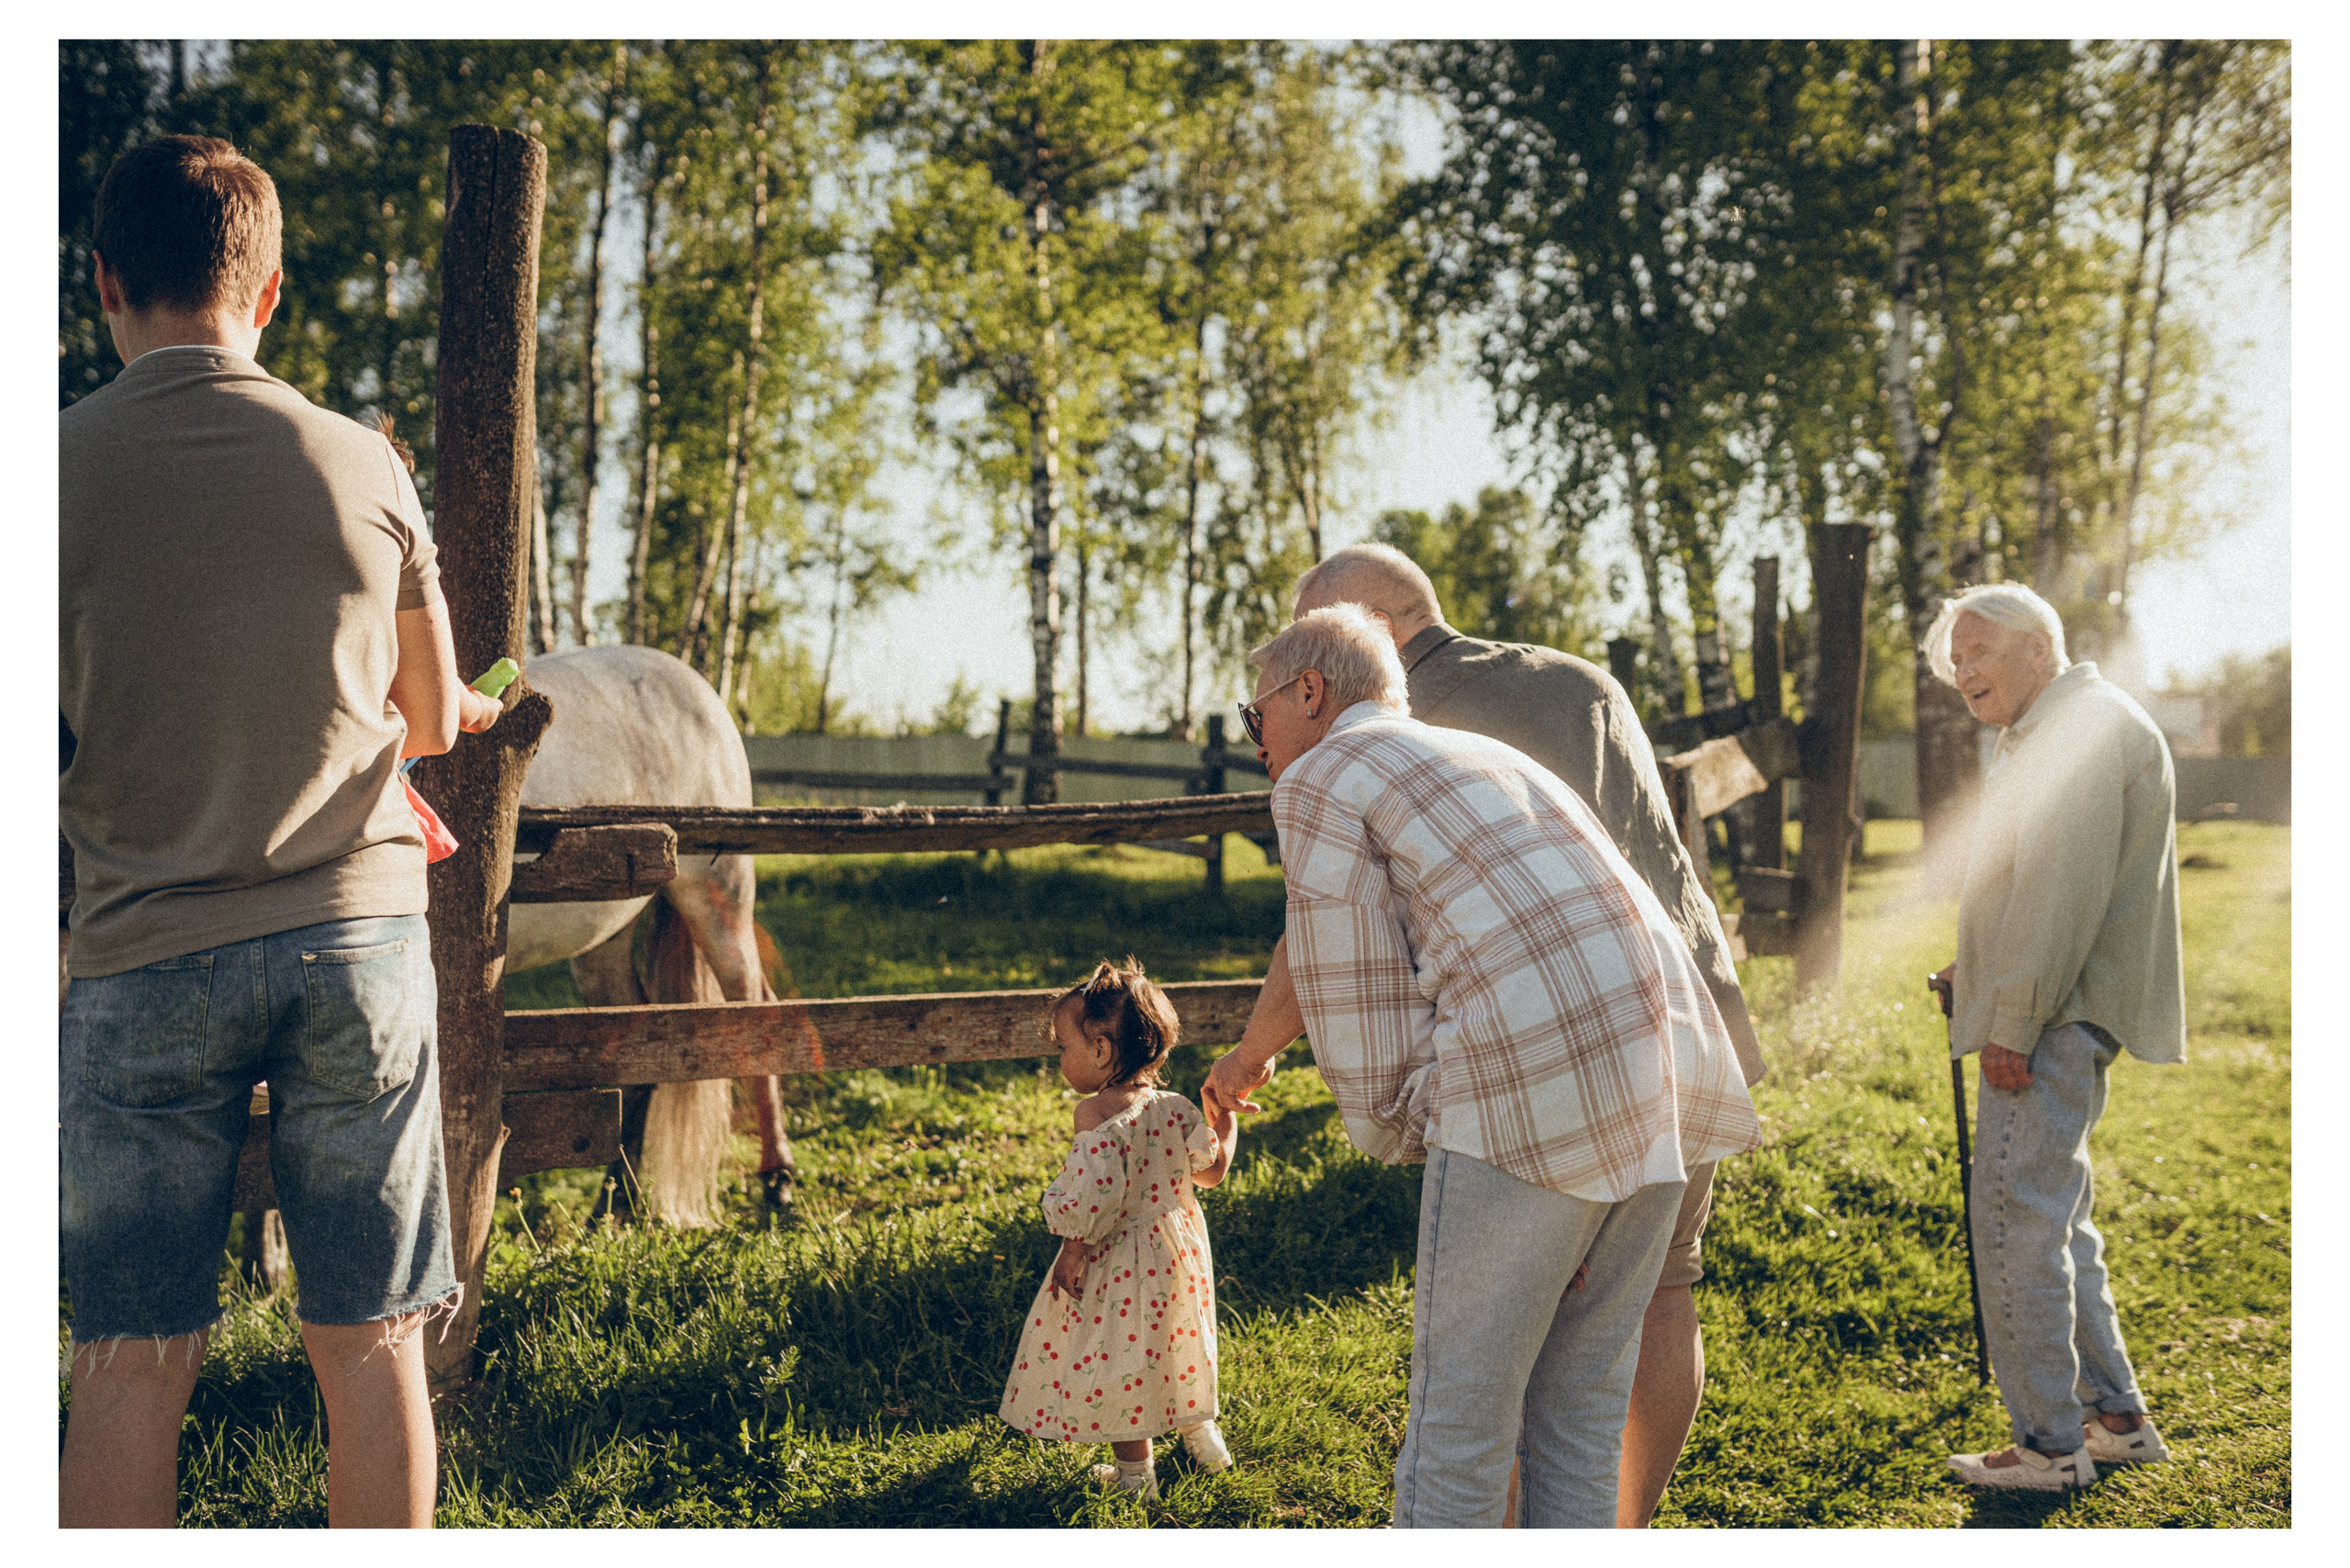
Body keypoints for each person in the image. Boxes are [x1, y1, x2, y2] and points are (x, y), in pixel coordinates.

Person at [59, 135, 504, 1529]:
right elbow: (428, 716)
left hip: (139, 957)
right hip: (354, 946)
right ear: (268, 295)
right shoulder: (362, 461)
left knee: (129, 1364)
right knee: (372, 1346)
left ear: (104, 281)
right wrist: (462, 709)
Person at [1205, 542, 1764, 1527]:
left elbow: (1353, 988)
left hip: (1528, 1097)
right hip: (1667, 1085)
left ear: (1307, 691)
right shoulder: (1486, 754)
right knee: (1579, 1411)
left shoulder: (1322, 774)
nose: (1257, 741)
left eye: (1256, 715)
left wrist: (1404, 1128)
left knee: (1459, 1426)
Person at [1923, 584, 2183, 1492]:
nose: (1961, 671)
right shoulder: (2062, 723)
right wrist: (1979, 965)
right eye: (1952, 658)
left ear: (2039, 644)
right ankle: (2114, 1418)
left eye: (1977, 649)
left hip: (2053, 1018)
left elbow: (2060, 891)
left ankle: (2047, 1445)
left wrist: (2012, 1016)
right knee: (2054, 1218)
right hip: (2062, 1006)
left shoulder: (2074, 727)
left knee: (2013, 1221)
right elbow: (2032, 881)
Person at [1001, 959, 1238, 1500]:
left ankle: (1136, 1480)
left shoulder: (1095, 1115)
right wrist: (1225, 1119)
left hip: (1120, 1263)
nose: (1061, 1058)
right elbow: (1213, 1170)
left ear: (1102, 1051)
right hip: (1177, 1254)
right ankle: (1206, 1443)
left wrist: (1071, 1250)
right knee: (1176, 1342)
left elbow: (1093, 1199)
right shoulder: (1178, 1109)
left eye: (1064, 1047)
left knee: (1124, 1361)